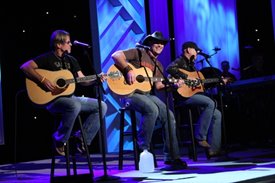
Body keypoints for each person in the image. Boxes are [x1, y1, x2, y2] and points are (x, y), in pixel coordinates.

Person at [20, 30, 108, 156]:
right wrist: (43, 80)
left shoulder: (72, 60)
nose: (71, 44)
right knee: (74, 105)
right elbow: (25, 67)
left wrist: (96, 79)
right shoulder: (47, 58)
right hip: (52, 100)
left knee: (101, 106)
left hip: (71, 98)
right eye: (68, 42)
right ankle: (59, 139)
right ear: (58, 45)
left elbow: (82, 80)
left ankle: (82, 139)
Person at [111, 31, 187, 169]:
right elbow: (116, 55)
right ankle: (143, 150)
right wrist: (128, 69)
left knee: (169, 116)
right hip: (129, 94)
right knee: (151, 109)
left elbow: (158, 85)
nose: (160, 45)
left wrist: (173, 85)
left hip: (146, 94)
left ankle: (171, 157)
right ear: (149, 44)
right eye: (156, 42)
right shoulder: (138, 53)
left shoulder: (158, 65)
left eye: (162, 43)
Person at [166, 41, 222, 157]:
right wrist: (187, 77)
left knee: (217, 114)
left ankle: (214, 149)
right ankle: (200, 137)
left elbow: (198, 84)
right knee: (210, 103)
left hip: (193, 95)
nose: (197, 52)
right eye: (195, 50)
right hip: (182, 97)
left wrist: (218, 81)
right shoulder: (180, 60)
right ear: (187, 50)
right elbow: (170, 68)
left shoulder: (192, 65)